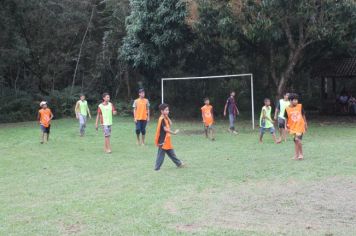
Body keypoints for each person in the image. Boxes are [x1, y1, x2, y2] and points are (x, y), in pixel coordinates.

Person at [154, 103, 185, 171]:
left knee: (171, 153)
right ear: (162, 111)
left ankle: (179, 164)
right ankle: (157, 168)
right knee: (161, 155)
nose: (167, 111)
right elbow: (165, 129)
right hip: (163, 141)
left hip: (167, 140)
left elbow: (170, 123)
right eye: (166, 110)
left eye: (168, 110)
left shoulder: (165, 118)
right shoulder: (162, 119)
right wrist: (174, 133)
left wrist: (167, 116)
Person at [284, 93, 308, 160]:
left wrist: (305, 123)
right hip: (293, 127)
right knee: (296, 141)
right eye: (294, 100)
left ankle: (300, 154)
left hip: (300, 126)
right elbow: (286, 118)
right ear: (290, 101)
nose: (296, 101)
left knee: (297, 139)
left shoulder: (300, 106)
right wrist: (285, 126)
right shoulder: (287, 109)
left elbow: (303, 115)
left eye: (297, 100)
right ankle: (297, 155)